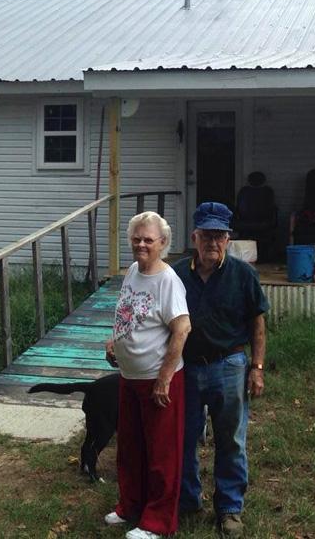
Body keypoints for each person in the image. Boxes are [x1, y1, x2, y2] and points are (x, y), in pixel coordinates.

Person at [173, 202, 269, 538]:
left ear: (228, 239)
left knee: (231, 440)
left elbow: (257, 324)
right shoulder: (176, 274)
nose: (212, 242)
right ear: (194, 237)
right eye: (206, 235)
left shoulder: (243, 275)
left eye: (219, 236)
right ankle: (187, 500)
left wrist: (257, 367)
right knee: (184, 437)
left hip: (229, 366)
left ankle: (229, 508)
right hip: (186, 368)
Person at [105, 211, 191, 539]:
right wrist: (114, 341)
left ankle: (158, 522)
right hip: (129, 376)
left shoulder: (168, 280)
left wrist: (164, 378)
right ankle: (130, 506)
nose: (141, 244)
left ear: (163, 243)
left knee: (161, 453)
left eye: (148, 240)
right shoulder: (132, 271)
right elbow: (128, 315)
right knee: (130, 447)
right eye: (136, 239)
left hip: (157, 380)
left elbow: (182, 328)